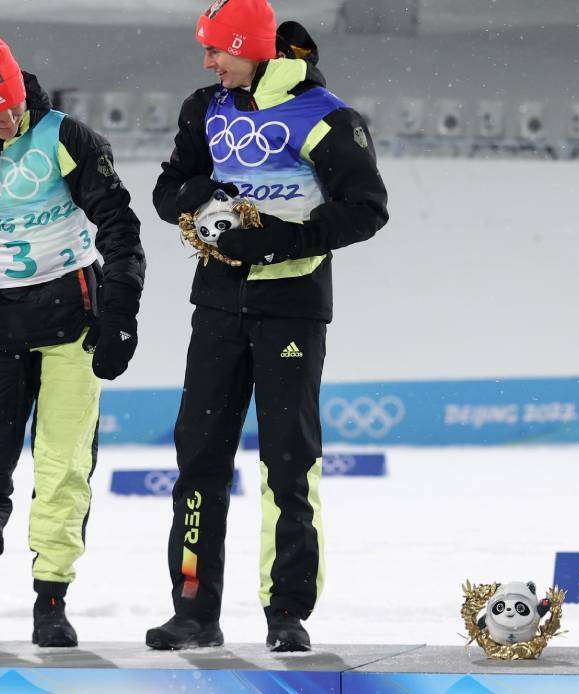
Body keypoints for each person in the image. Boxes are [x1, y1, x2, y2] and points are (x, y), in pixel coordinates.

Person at [145, 0, 388, 652]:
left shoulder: (324, 115)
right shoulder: (205, 107)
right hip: (218, 307)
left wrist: (276, 240)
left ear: (251, 46)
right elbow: (168, 190)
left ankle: (287, 614)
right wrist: (204, 204)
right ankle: (194, 610)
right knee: (198, 460)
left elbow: (367, 210)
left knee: (288, 463)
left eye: (217, 49)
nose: (208, 62)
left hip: (292, 309)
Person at [0, 35, 145, 648]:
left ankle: (52, 600)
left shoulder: (66, 137)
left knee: (65, 467)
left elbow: (120, 227)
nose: (8, 118)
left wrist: (122, 316)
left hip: (73, 318)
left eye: (14, 104)